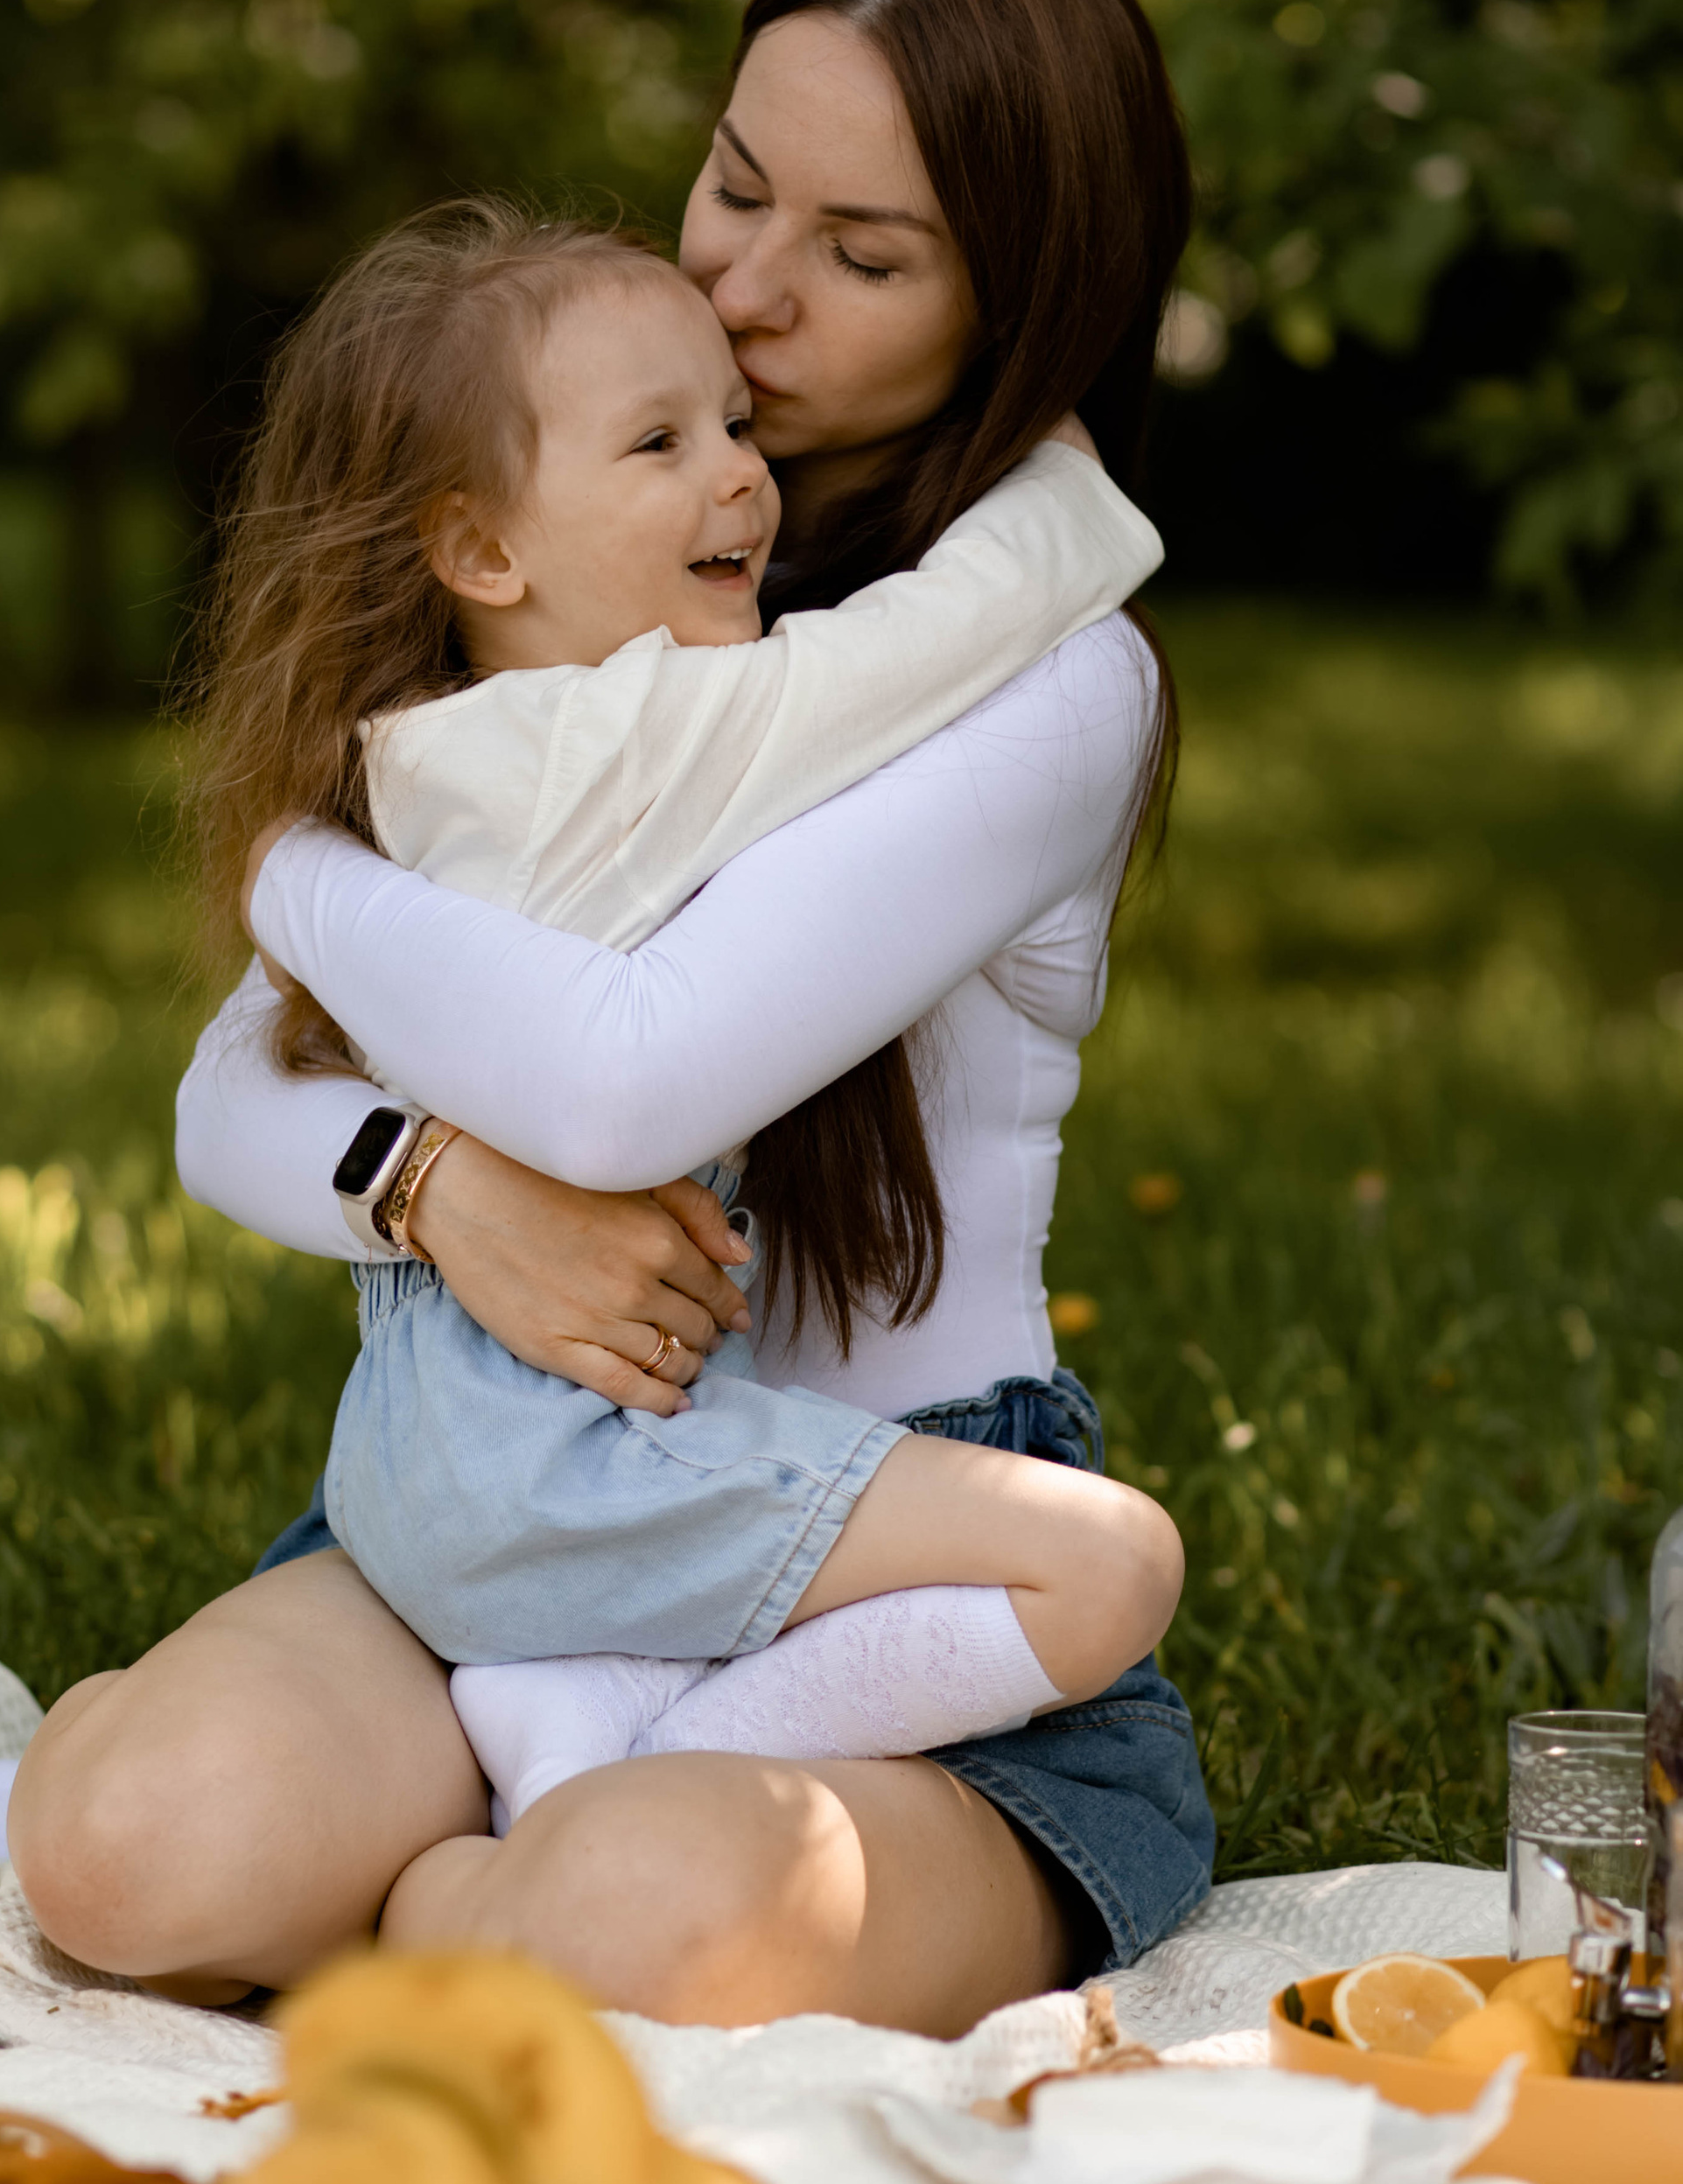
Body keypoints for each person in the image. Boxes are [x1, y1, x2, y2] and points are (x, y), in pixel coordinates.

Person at [10, 0, 1218, 2040]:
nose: (747, 288)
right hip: (550, 1508)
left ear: (1020, 300)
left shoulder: (1042, 679)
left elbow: (623, 1087)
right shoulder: (585, 579)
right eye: (735, 187)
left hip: (882, 1565)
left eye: (861, 255)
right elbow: (231, 1093)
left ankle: (472, 1888)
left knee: (642, 1925)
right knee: (126, 1850)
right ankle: (473, 1854)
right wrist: (427, 1185)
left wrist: (285, 851)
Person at [188, 194, 1178, 1825]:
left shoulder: (428, 752)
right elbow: (932, 642)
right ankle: (636, 1792)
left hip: (431, 1458)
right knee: (1110, 1565)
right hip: (583, 1465)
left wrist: (285, 864)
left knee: (499, 1845)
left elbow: (248, 1074)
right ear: (481, 550)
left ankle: (555, 1787)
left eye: (732, 423)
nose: (739, 474)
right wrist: (1057, 470)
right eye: (662, 443)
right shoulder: (644, 740)